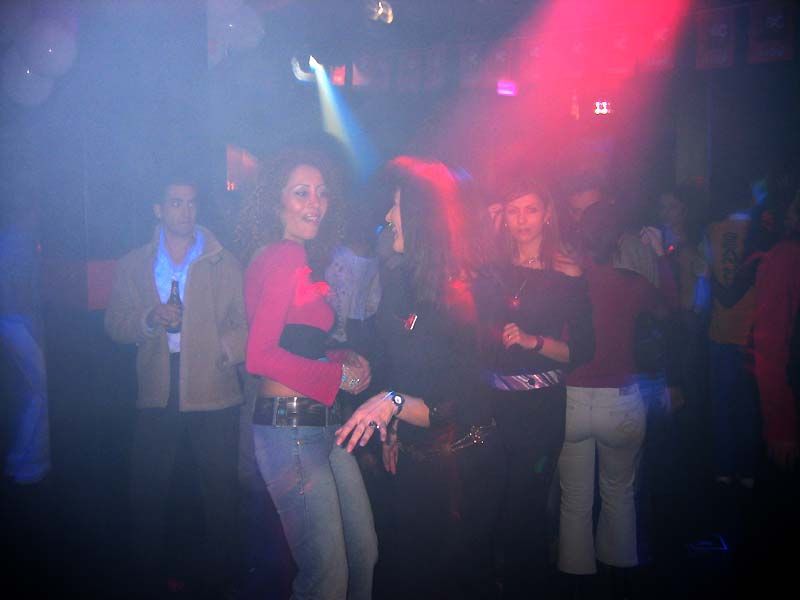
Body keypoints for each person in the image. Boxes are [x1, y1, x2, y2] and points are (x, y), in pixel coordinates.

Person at [335, 156, 500, 600]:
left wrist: (391, 403)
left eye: (397, 206)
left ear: (422, 216)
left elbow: (458, 403)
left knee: (447, 579)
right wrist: (394, 428)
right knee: (404, 572)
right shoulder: (400, 283)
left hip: (460, 472)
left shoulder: (465, 294)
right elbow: (399, 367)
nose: (389, 216)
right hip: (411, 460)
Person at [239, 146, 377, 600]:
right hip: (290, 426)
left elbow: (297, 343)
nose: (315, 203)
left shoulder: (296, 258)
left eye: (321, 193)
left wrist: (341, 358)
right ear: (275, 201)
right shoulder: (282, 255)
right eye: (301, 192)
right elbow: (259, 356)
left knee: (362, 554)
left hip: (324, 424)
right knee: (327, 576)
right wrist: (337, 378)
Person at [104, 176, 248, 597]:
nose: (185, 211)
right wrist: (149, 319)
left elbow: (245, 323)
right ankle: (147, 575)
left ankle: (222, 578)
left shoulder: (223, 261)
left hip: (212, 384)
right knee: (148, 488)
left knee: (220, 491)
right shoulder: (134, 263)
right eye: (175, 203)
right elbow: (114, 323)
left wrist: (223, 350)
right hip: (158, 383)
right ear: (158, 209)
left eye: (191, 203)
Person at [473, 180, 594, 598]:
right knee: (493, 507)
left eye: (530, 209)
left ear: (547, 214)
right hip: (492, 407)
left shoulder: (565, 271)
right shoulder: (493, 269)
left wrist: (533, 342)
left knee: (523, 512)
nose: (521, 220)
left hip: (539, 410)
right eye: (512, 210)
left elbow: (583, 349)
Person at [558, 200, 671, 595]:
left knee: (574, 501)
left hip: (573, 399)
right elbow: (669, 310)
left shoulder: (571, 281)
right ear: (619, 240)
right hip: (621, 400)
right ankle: (618, 587)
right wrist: (661, 258)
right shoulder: (632, 282)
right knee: (619, 496)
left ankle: (575, 587)